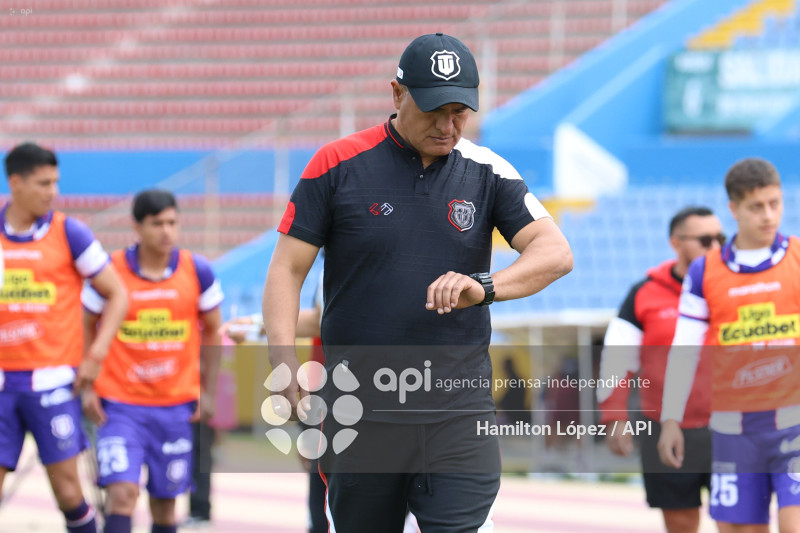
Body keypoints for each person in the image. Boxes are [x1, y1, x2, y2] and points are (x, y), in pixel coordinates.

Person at [262, 32, 573, 532]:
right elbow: (287, 269)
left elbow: (555, 252)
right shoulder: (335, 165)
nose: (448, 126)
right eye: (434, 111)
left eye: (460, 112)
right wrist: (283, 358)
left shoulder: (489, 171)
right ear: (397, 94)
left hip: (458, 413)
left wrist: (484, 286)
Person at [658, 158, 800, 532]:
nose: (768, 216)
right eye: (756, 207)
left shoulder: (798, 257)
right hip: (733, 430)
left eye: (775, 203)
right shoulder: (705, 272)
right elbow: (684, 351)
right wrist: (670, 419)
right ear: (734, 209)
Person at [0, 142, 128, 532]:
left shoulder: (69, 232)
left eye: (55, 182)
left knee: (70, 493)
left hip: (54, 383)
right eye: (43, 183)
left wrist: (95, 355)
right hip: (2, 383)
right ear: (16, 182)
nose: (52, 191)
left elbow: (118, 294)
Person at [81, 189, 223, 533]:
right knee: (122, 494)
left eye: (172, 222)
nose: (166, 231)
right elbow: (84, 325)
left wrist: (208, 391)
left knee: (165, 504)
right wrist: (87, 387)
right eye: (157, 223)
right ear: (137, 226)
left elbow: (213, 331)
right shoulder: (110, 271)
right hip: (119, 405)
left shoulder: (197, 270)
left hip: (175, 407)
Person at [598, 206, 724, 533]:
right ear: (676, 243)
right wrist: (614, 417)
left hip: (730, 427)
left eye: (721, 239)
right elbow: (616, 358)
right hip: (664, 427)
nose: (716, 247)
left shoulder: (732, 289)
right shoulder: (643, 294)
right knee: (681, 523)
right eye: (706, 240)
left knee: (738, 523)